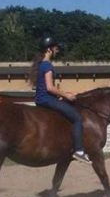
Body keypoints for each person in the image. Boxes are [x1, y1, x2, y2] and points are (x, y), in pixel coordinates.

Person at [32, 36, 92, 164]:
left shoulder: (41, 64)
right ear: (49, 50)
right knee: (77, 119)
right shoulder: (47, 65)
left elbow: (44, 87)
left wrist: (59, 96)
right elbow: (49, 87)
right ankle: (79, 151)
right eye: (55, 48)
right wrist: (66, 95)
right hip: (46, 100)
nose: (57, 50)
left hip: (42, 99)